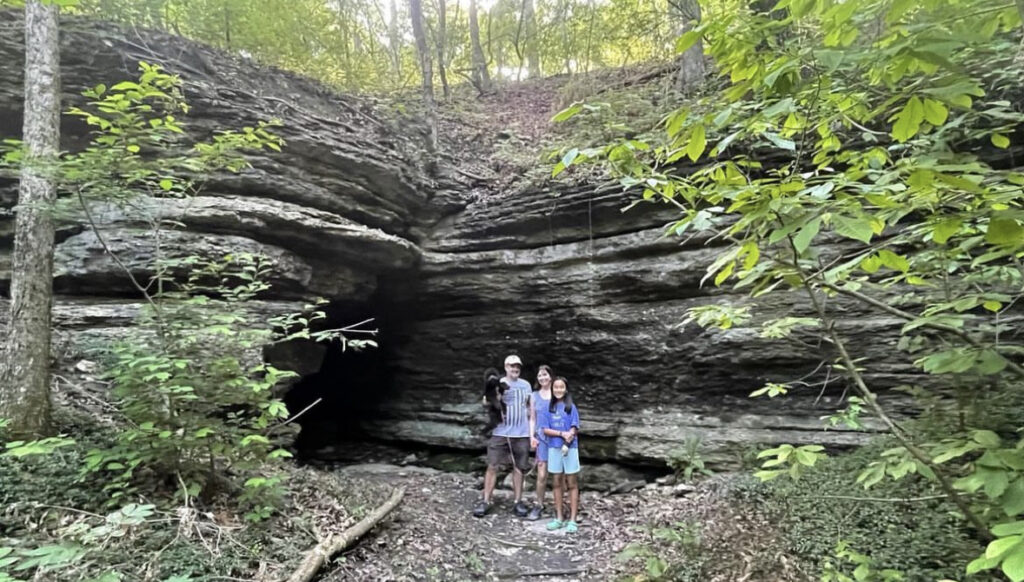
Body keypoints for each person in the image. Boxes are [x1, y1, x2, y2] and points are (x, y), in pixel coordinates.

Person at [473, 354, 532, 518]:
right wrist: (494, 398)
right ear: (506, 367)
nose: (515, 369)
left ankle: (518, 502)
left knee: (519, 468)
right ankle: (486, 500)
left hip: (521, 433)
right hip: (500, 432)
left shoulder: (526, 385)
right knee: (492, 466)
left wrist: (532, 429)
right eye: (512, 366)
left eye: (517, 367)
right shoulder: (498, 383)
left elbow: (530, 406)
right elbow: (485, 401)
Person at [541, 376, 581, 533]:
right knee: (556, 482)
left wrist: (570, 434)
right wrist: (561, 433)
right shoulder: (547, 408)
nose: (558, 390)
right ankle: (559, 517)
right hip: (554, 448)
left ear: (566, 389)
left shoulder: (571, 407)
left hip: (570, 448)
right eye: (556, 387)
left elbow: (575, 426)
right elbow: (545, 429)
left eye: (561, 387)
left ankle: (572, 519)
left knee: (572, 482)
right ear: (552, 389)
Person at [526, 365, 554, 521]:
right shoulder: (534, 396)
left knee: (558, 474)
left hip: (556, 438)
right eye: (539, 376)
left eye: (545, 375)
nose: (542, 378)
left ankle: (559, 506)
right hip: (541, 438)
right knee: (542, 474)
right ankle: (539, 504)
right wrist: (532, 436)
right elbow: (532, 418)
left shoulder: (558, 393)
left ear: (550, 376)